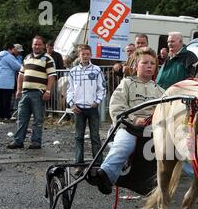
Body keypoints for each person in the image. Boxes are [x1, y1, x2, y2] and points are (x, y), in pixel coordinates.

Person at [93, 47, 165, 194]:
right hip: (128, 128)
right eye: (145, 63)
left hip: (153, 131)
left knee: (174, 149)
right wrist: (134, 119)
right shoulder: (126, 84)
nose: (150, 66)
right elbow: (116, 108)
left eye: (152, 63)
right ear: (135, 66)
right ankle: (105, 175)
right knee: (124, 145)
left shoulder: (161, 91)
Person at [7, 36, 56, 149]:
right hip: (25, 93)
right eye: (35, 44)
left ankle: (36, 142)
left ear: (43, 46)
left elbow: (51, 76)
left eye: (39, 44)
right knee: (21, 118)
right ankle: (18, 141)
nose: (37, 46)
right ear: (32, 45)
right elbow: (21, 74)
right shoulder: (27, 57)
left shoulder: (48, 59)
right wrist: (19, 89)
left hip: (38, 93)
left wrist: (48, 91)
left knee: (38, 119)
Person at [66, 44, 106, 175]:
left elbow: (102, 88)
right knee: (78, 137)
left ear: (91, 54)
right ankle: (79, 165)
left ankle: (98, 164)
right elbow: (70, 90)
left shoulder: (96, 70)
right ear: (79, 55)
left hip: (92, 108)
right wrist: (72, 104)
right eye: (83, 54)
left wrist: (97, 101)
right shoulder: (73, 71)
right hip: (78, 109)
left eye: (87, 54)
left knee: (95, 136)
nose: (85, 56)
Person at [0, 43, 22, 121]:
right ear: (10, 49)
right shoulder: (8, 56)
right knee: (7, 100)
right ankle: (7, 116)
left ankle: (0, 116)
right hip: (6, 82)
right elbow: (17, 67)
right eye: (13, 49)